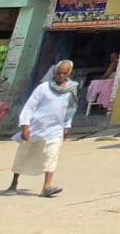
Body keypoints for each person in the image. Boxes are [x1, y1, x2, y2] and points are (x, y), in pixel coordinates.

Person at [9, 60, 77, 198]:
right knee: (24, 155)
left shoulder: (71, 89)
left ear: (68, 73)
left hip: (56, 129)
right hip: (36, 127)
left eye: (64, 73)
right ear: (55, 72)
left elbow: (70, 109)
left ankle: (46, 187)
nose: (61, 75)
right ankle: (14, 183)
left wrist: (67, 126)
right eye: (59, 72)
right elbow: (30, 107)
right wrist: (25, 126)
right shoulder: (43, 88)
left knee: (52, 156)